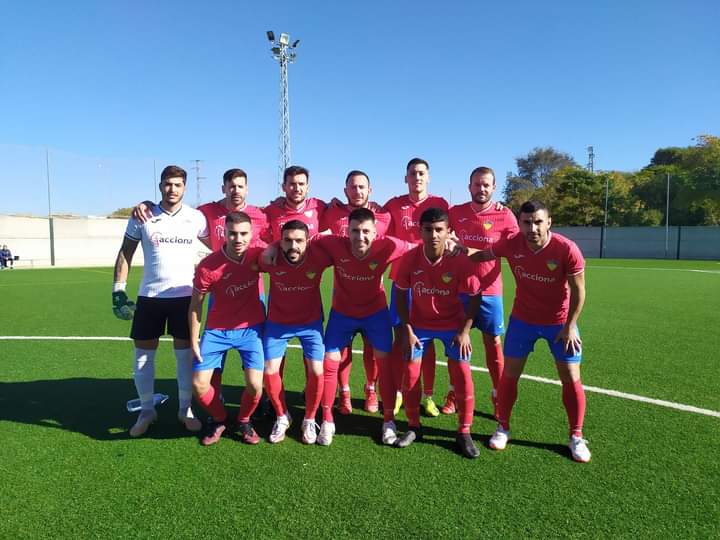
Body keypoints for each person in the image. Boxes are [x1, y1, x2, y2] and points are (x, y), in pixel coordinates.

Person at [468, 200, 591, 463]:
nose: (532, 228)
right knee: (510, 375)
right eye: (526, 222)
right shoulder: (512, 244)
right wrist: (456, 248)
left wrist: (570, 326)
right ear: (520, 224)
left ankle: (576, 436)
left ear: (549, 223)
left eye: (538, 222)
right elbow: (483, 255)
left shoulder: (567, 249)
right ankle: (503, 427)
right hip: (523, 321)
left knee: (571, 377)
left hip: (559, 324)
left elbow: (579, 291)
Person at [112, 165, 209, 437]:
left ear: (184, 187)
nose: (172, 189)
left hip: (185, 298)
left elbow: (217, 248)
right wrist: (118, 290)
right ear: (160, 186)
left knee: (184, 357)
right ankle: (147, 410)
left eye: (177, 184)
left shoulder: (196, 218)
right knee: (143, 357)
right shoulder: (142, 215)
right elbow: (126, 253)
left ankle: (185, 409)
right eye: (167, 184)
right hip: (150, 298)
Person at [312, 207, 412, 446]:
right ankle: (327, 420)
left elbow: (418, 247)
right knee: (329, 362)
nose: (360, 237)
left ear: (375, 232)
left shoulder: (388, 245)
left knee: (385, 364)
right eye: (355, 231)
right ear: (347, 231)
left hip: (375, 314)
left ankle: (388, 421)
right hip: (342, 313)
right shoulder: (335, 244)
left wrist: (449, 242)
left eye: (366, 231)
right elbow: (307, 237)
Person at [392, 208, 482, 458]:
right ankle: (413, 427)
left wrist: (465, 331)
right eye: (428, 230)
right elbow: (400, 294)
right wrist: (408, 329)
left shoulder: (459, 260)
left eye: (439, 230)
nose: (433, 235)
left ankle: (464, 431)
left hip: (453, 326)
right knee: (411, 373)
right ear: (420, 231)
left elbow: (475, 296)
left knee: (462, 373)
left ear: (448, 232)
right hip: (419, 326)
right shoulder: (410, 259)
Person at [188, 211, 267, 446]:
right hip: (217, 331)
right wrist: (194, 339)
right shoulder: (207, 266)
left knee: (255, 385)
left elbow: (280, 253)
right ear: (224, 233)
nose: (238, 239)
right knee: (199, 384)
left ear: (251, 234)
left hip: (250, 329)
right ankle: (220, 419)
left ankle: (244, 421)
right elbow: (195, 305)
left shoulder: (258, 255)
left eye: (243, 234)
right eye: (233, 234)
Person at [446, 166, 518, 415]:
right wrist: (449, 240)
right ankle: (455, 392)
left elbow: (515, 244)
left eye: (486, 184)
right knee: (456, 342)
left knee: (493, 343)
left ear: (494, 187)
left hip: (489, 291)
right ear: (469, 187)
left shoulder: (505, 215)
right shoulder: (455, 212)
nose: (481, 189)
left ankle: (499, 395)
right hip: (458, 290)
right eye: (477, 184)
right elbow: (441, 231)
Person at [319, 170, 392, 415]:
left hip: (373, 298)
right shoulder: (331, 212)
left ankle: (371, 389)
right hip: (342, 298)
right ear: (345, 190)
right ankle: (345, 392)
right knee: (342, 350)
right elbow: (310, 225)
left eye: (362, 187)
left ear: (370, 190)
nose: (357, 191)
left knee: (372, 348)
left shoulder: (384, 216)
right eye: (353, 187)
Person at [383, 158, 449, 418]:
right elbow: (378, 226)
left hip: (431, 284)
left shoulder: (440, 203)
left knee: (428, 342)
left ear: (428, 177)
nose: (417, 177)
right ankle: (399, 392)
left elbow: (455, 229)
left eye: (421, 173)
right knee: (400, 338)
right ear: (406, 178)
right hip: (402, 281)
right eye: (413, 173)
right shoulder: (393, 205)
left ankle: (427, 395)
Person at [259, 220, 332, 444]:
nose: (293, 246)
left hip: (310, 324)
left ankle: (309, 418)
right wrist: (270, 247)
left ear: (307, 242)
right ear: (280, 242)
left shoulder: (319, 257)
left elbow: (341, 244)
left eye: (299, 241)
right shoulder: (269, 258)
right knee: (269, 370)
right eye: (287, 240)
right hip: (278, 323)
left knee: (317, 371)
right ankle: (282, 416)